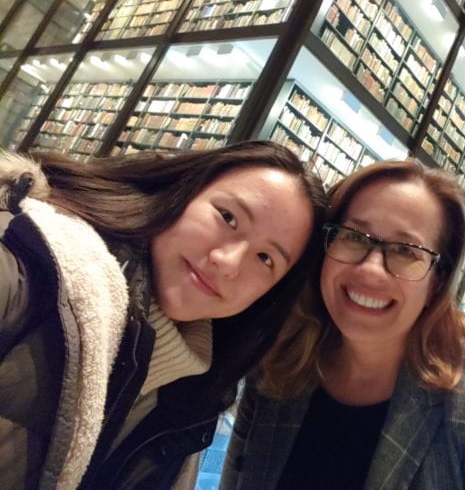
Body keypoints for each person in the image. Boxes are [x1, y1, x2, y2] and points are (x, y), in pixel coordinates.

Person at [0, 141, 328, 490]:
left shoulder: (195, 398)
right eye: (227, 217)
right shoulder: (31, 265)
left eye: (265, 258)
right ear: (181, 193)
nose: (228, 262)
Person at [221, 159, 465, 489]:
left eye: (405, 250)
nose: (371, 270)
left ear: (437, 280)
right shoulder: (279, 361)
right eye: (354, 237)